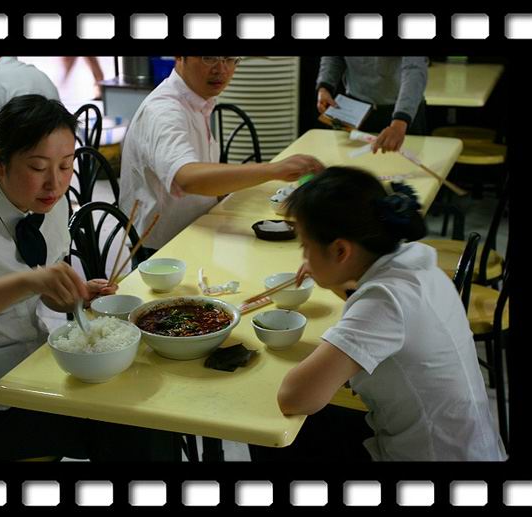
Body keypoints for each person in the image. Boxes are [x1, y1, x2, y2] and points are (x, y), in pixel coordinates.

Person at [0, 95, 178, 461]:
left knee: (153, 403)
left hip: (30, 370)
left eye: (66, 165)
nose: (54, 183)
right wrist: (31, 281)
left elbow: (44, 294)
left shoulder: (51, 205)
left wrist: (70, 292)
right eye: (38, 167)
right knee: (131, 427)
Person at [250, 167, 506, 461]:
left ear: (341, 251)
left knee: (266, 430)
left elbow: (294, 397)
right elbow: (366, 304)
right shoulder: (415, 262)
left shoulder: (386, 301)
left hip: (432, 456)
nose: (304, 257)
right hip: (465, 444)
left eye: (306, 247)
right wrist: (328, 274)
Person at [119, 56, 324, 253]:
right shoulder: (163, 111)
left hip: (198, 229)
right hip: (160, 251)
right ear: (180, 57)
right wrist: (273, 169)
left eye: (229, 58)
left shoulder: (197, 99)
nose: (221, 69)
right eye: (209, 57)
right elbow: (186, 178)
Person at [316, 57, 428, 153]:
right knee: (350, 168)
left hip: (402, 113)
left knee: (404, 169)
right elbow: (333, 58)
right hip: (354, 110)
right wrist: (325, 87)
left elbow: (414, 69)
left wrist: (400, 122)